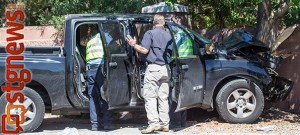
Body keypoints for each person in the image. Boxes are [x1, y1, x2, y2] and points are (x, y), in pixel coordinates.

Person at [126, 13, 172, 134]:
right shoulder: (168, 35)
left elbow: (144, 50)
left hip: (154, 69)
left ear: (154, 23)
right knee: (163, 98)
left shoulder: (150, 33)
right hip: (166, 69)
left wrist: (134, 44)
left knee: (150, 97)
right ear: (163, 23)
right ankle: (165, 124)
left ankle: (153, 124)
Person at [85, 28, 113, 131]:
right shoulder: (104, 37)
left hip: (90, 71)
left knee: (93, 97)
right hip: (100, 70)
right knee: (105, 95)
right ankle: (107, 124)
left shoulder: (90, 41)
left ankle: (95, 125)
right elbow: (116, 48)